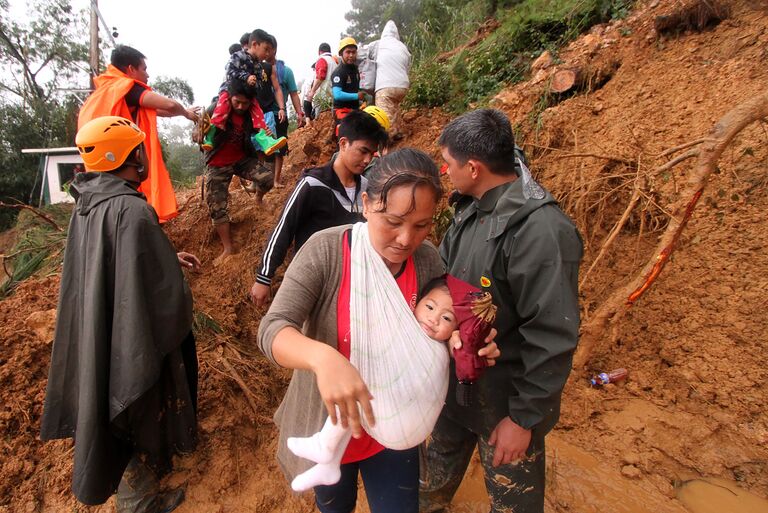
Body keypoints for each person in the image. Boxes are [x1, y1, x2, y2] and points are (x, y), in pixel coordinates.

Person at [257, 148, 500, 513]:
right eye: (393, 221)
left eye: (421, 225)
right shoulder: (326, 251)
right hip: (329, 429)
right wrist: (323, 359)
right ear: (367, 204)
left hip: (395, 426)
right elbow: (272, 330)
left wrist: (467, 341)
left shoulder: (427, 259)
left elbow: (439, 323)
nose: (405, 239)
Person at [420, 109, 583, 513]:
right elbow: (447, 289)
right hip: (454, 393)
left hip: (505, 406)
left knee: (514, 506)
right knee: (423, 494)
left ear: (474, 168)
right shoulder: (471, 212)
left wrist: (524, 420)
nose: (445, 170)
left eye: (449, 163)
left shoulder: (540, 231)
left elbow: (552, 334)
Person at [40, 116, 200, 512]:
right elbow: (161, 298)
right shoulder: (131, 209)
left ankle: (136, 494)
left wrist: (166, 256)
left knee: (111, 398)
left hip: (100, 327)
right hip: (128, 332)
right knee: (133, 399)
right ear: (127, 157)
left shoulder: (89, 202)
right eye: (140, 149)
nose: (146, 156)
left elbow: (112, 263)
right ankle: (139, 503)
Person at [283, 275, 460, 492]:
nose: (434, 319)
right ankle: (329, 464)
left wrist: (461, 342)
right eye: (430, 307)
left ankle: (324, 446)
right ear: (417, 302)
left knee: (356, 389)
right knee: (353, 399)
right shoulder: (408, 328)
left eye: (447, 319)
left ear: (456, 329)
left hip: (399, 416)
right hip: (387, 412)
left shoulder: (436, 351)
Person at [249, 109, 387, 306]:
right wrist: (264, 277)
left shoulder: (367, 189)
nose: (367, 160)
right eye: (363, 151)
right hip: (311, 282)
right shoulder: (313, 185)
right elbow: (284, 228)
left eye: (371, 154)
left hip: (350, 285)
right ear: (343, 144)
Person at [77, 45, 199, 223]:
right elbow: (169, 105)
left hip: (99, 165)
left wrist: (182, 111)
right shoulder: (127, 88)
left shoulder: (106, 91)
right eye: (144, 69)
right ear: (131, 69)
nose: (147, 75)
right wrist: (186, 113)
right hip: (119, 161)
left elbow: (155, 109)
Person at [205, 80, 276, 262]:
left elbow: (259, 132)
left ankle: (258, 200)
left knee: (268, 178)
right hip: (218, 163)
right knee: (217, 205)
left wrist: (266, 134)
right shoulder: (216, 107)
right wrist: (198, 134)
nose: (240, 106)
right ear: (229, 97)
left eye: (245, 103)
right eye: (237, 102)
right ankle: (228, 248)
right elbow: (198, 132)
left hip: (241, 159)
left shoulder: (252, 112)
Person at [202, 31, 287, 155]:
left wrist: (254, 83)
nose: (268, 54)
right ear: (254, 44)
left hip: (248, 94)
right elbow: (229, 70)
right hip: (230, 91)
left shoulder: (258, 65)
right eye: (266, 49)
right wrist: (246, 76)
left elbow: (259, 82)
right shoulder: (239, 56)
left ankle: (265, 140)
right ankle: (209, 137)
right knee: (221, 110)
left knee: (257, 112)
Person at [264, 34, 305, 188]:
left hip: (279, 115)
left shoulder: (286, 71)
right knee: (262, 148)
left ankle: (276, 180)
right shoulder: (259, 70)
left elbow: (294, 94)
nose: (266, 52)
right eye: (264, 48)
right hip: (263, 116)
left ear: (274, 50)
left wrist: (299, 113)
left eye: (269, 49)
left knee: (280, 148)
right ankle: (262, 181)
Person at [372, 20, 412, 141]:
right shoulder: (402, 46)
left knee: (384, 116)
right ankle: (398, 133)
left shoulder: (379, 44)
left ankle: (387, 142)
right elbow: (408, 65)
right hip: (403, 86)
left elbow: (361, 53)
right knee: (395, 108)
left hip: (385, 86)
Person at [330, 37, 364, 142]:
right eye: (348, 52)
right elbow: (337, 94)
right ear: (341, 53)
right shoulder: (338, 72)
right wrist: (356, 96)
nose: (351, 55)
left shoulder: (355, 69)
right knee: (345, 137)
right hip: (342, 110)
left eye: (353, 52)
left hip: (355, 109)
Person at [306, 42, 338, 116]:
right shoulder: (334, 62)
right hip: (334, 97)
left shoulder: (322, 59)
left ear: (319, 52)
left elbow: (320, 77)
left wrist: (312, 91)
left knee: (322, 122)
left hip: (324, 98)